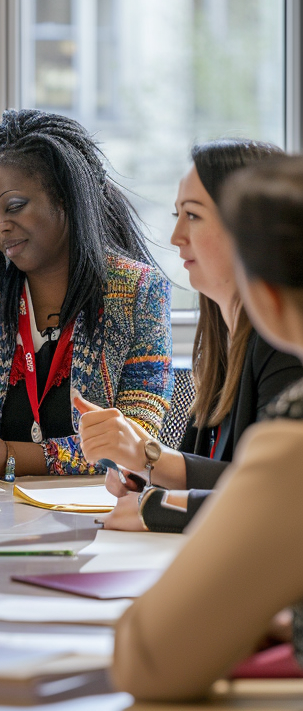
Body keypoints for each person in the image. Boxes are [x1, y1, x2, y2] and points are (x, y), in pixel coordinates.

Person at [28, 154, 303, 711]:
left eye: (192, 217)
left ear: (262, 280)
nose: (173, 237)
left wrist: (157, 496)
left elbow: (152, 661)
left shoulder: (295, 418)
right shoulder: (216, 354)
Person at [0, 109, 172, 477]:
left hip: (95, 519)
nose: (0, 229)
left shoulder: (138, 294)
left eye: (15, 207)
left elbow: (136, 443)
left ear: (66, 197)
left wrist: (7, 456)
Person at [75, 139, 302, 533]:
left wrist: (153, 475)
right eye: (177, 214)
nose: (177, 235)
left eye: (193, 216)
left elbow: (273, 497)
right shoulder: (219, 340)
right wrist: (146, 474)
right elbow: (219, 474)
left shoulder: (284, 343)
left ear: (249, 230)